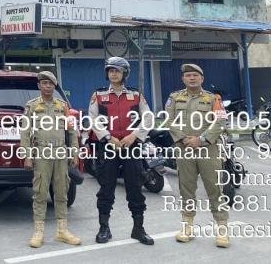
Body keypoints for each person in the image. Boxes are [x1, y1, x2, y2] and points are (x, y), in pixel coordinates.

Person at [87, 57, 154, 246]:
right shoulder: (98, 95)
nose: (113, 73)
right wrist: (109, 137)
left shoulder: (136, 95)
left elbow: (148, 118)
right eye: (110, 70)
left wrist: (134, 136)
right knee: (106, 188)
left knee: (135, 187)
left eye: (117, 70)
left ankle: (138, 229)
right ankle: (104, 228)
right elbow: (93, 119)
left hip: (131, 147)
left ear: (125, 73)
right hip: (108, 147)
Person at [165, 63, 229, 248]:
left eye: (195, 75)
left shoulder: (212, 98)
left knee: (215, 188)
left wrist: (200, 140)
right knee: (186, 189)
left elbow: (220, 122)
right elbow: (169, 120)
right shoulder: (174, 98)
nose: (191, 78)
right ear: (183, 79)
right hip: (184, 149)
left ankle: (222, 230)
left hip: (208, 150)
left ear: (202, 78)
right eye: (188, 75)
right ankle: (188, 227)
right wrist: (185, 139)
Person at [20, 71, 81, 248]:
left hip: (61, 153)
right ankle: (38, 232)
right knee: (40, 192)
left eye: (50, 84)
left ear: (55, 86)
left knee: (62, 191)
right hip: (41, 153)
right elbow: (25, 132)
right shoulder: (31, 106)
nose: (47, 86)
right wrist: (27, 156)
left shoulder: (62, 106)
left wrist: (74, 152)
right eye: (44, 83)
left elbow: (71, 131)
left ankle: (62, 231)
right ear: (39, 86)